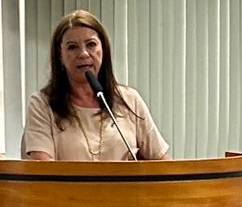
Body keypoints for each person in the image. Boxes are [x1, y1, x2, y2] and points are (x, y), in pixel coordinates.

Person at [23, 10, 168, 163]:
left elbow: (164, 165)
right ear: (60, 55)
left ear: (103, 49)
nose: (83, 54)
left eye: (91, 44)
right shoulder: (42, 104)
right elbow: (43, 168)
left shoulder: (129, 99)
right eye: (72, 47)